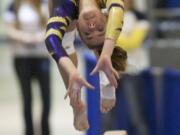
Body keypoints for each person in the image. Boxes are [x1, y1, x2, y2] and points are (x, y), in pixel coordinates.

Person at [45, 0, 127, 131]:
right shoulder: (107, 6)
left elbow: (51, 39)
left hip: (71, 8)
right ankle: (104, 78)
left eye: (87, 34)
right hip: (98, 10)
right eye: (100, 29)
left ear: (78, 27)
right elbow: (117, 9)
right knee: (98, 33)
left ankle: (76, 101)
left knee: (65, 37)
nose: (93, 27)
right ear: (107, 17)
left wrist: (72, 71)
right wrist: (106, 54)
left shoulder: (65, 7)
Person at [3, 0, 51, 135]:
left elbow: (50, 26)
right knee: (27, 97)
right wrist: (25, 37)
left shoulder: (44, 5)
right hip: (22, 57)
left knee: (46, 98)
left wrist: (39, 37)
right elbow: (10, 29)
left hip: (41, 57)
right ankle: (29, 131)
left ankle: (45, 130)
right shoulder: (14, 6)